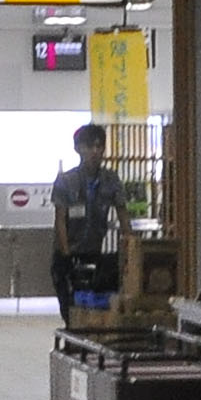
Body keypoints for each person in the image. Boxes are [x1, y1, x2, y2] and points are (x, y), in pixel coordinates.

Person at [52, 122, 125, 326]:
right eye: (88, 147)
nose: (95, 151)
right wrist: (66, 255)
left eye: (99, 146)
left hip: (94, 254)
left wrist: (131, 247)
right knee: (70, 311)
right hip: (66, 256)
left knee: (96, 309)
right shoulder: (66, 181)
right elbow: (60, 221)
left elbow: (123, 215)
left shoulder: (110, 180)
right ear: (78, 149)